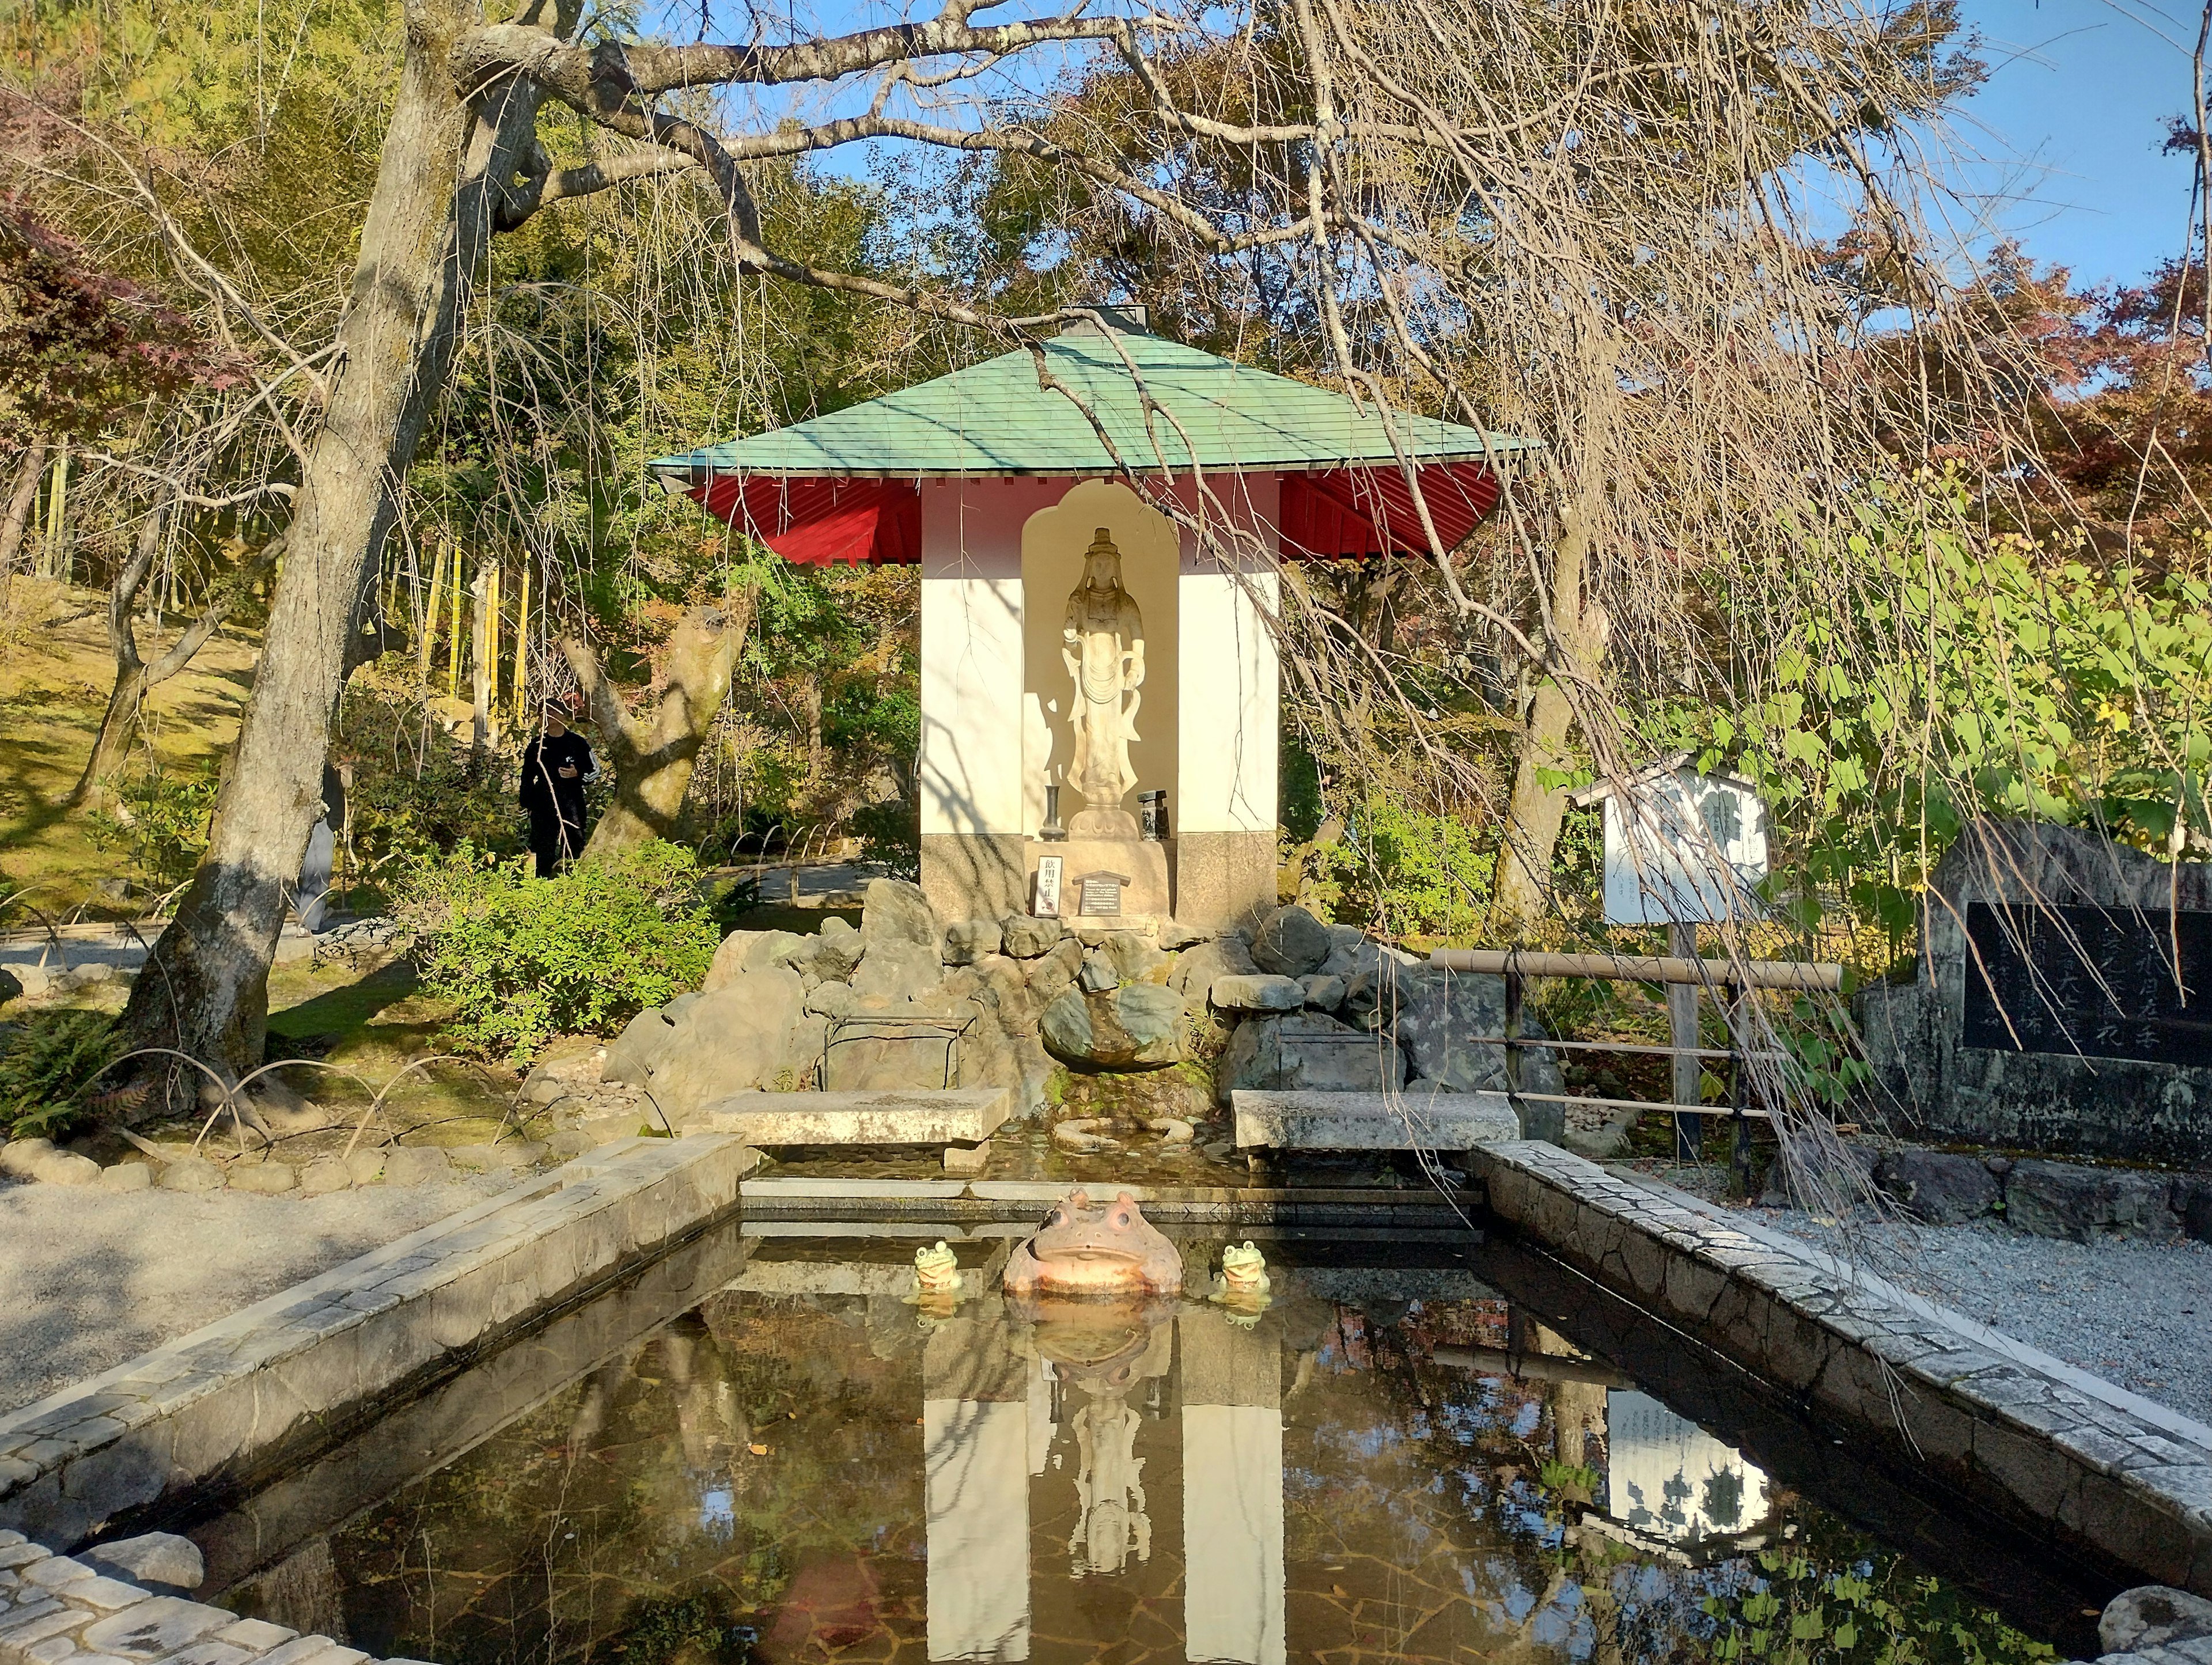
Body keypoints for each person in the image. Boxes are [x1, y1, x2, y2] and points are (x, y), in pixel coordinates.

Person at [521, 700, 595, 877]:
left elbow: (593, 770)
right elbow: (527, 778)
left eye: (556, 712)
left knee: (574, 843)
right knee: (541, 845)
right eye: (546, 713)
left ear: (564, 715)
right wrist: (528, 805)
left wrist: (577, 773)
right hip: (543, 802)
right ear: (540, 720)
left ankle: (573, 881)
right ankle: (537, 884)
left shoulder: (578, 743)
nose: (552, 717)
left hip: (572, 802)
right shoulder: (536, 746)